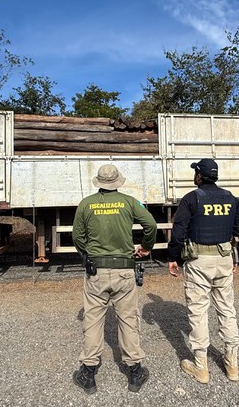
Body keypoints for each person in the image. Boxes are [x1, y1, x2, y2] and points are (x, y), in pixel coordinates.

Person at [71, 164, 157, 394]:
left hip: (96, 272)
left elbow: (77, 236)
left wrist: (87, 255)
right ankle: (135, 371)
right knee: (128, 319)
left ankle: (88, 372)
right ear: (118, 181)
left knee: (92, 320)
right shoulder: (129, 202)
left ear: (98, 182)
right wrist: (146, 247)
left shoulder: (86, 204)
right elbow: (151, 224)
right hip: (124, 271)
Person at [167, 158, 239, 384]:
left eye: (196, 172)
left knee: (198, 311)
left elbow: (179, 233)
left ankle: (201, 368)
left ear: (200, 176)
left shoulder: (191, 199)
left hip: (198, 262)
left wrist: (173, 258)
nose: (194, 176)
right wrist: (235, 256)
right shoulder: (231, 199)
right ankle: (232, 365)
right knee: (226, 309)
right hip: (223, 260)